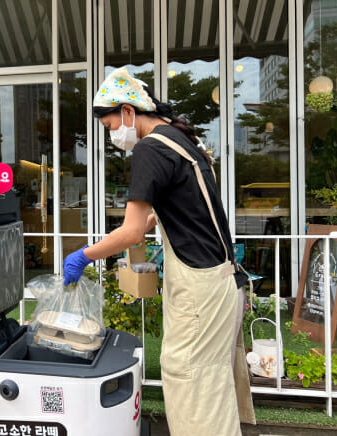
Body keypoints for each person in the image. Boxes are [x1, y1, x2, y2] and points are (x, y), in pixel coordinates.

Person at [62, 67, 255, 435]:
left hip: (201, 288)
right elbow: (177, 209)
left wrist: (84, 255)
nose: (112, 134)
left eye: (109, 125)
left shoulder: (151, 148)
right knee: (210, 383)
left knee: (192, 380)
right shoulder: (182, 141)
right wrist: (153, 222)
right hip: (219, 280)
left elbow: (131, 231)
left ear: (129, 112)